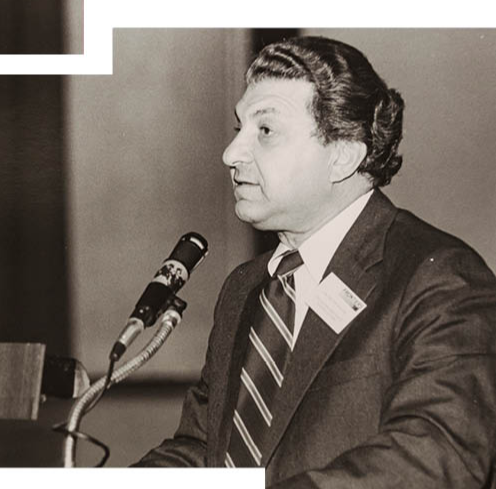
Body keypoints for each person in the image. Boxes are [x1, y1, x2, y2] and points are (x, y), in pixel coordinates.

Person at [133, 36, 496, 488]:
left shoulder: (439, 277)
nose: (231, 155)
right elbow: (204, 451)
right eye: (237, 129)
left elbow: (438, 454)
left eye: (265, 131)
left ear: (342, 156)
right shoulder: (245, 287)